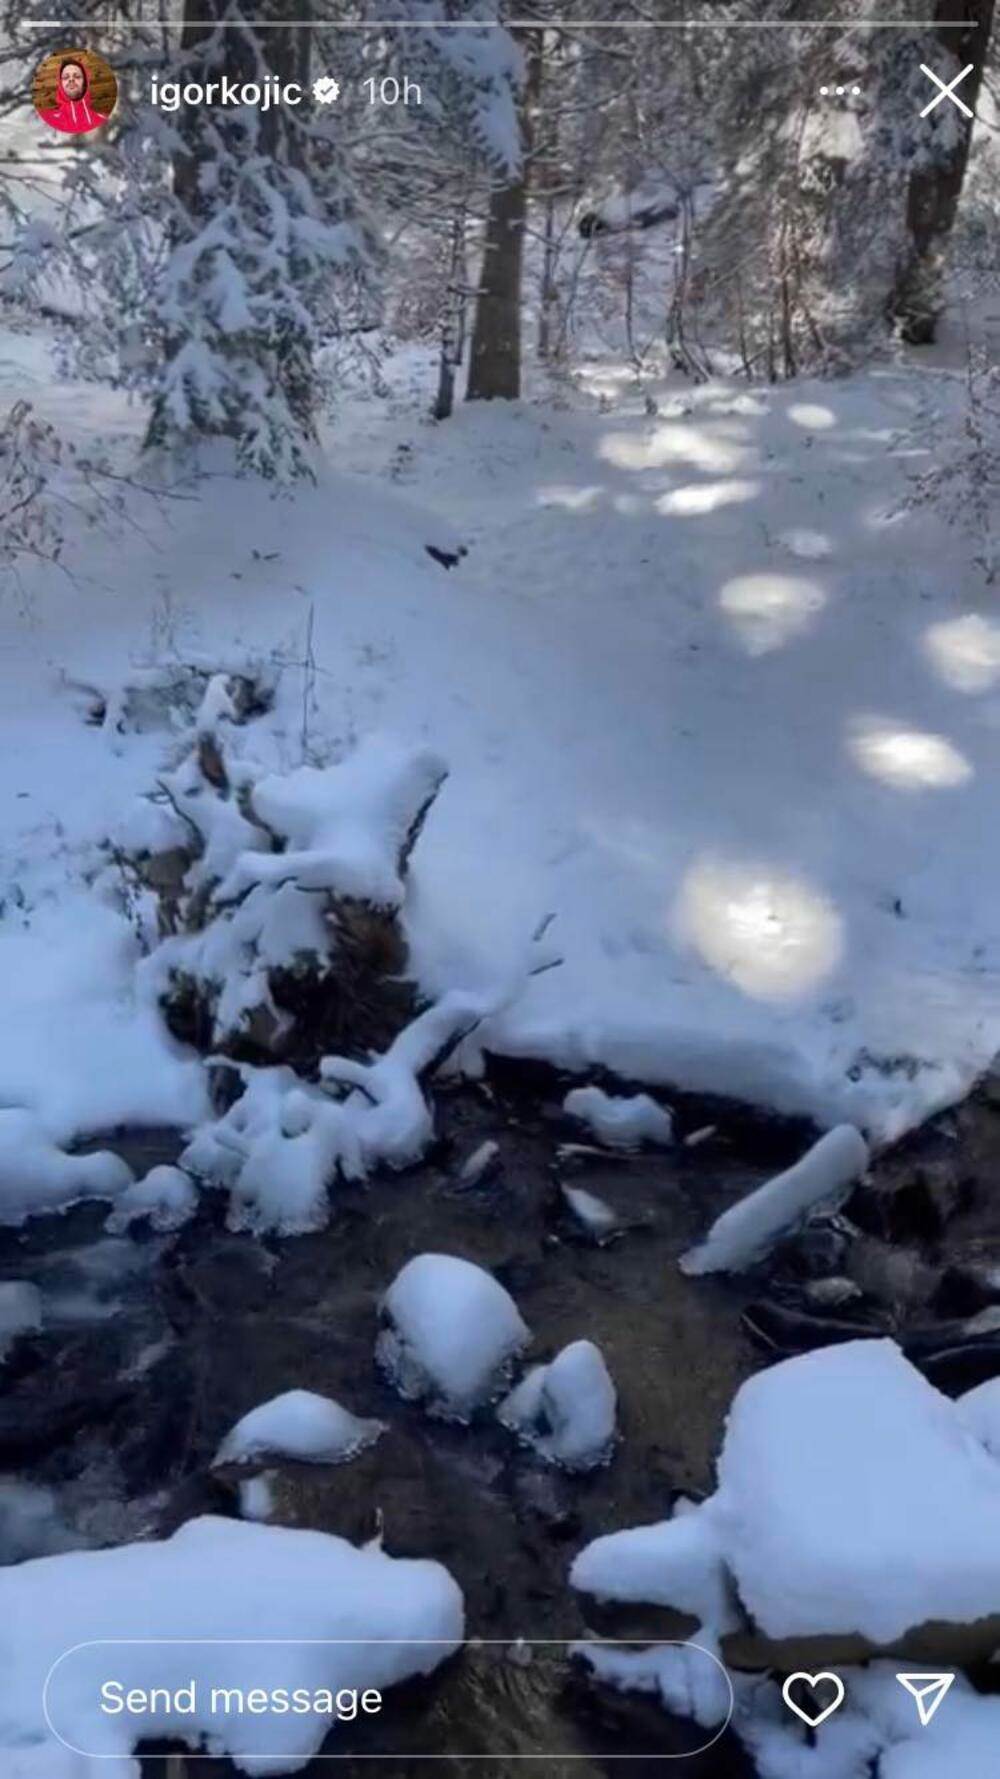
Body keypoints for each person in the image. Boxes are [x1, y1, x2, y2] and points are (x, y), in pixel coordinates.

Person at [39, 59, 108, 135]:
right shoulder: (47, 120)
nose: (71, 80)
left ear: (85, 82)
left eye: (77, 76)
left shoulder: (101, 118)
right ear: (60, 82)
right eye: (66, 77)